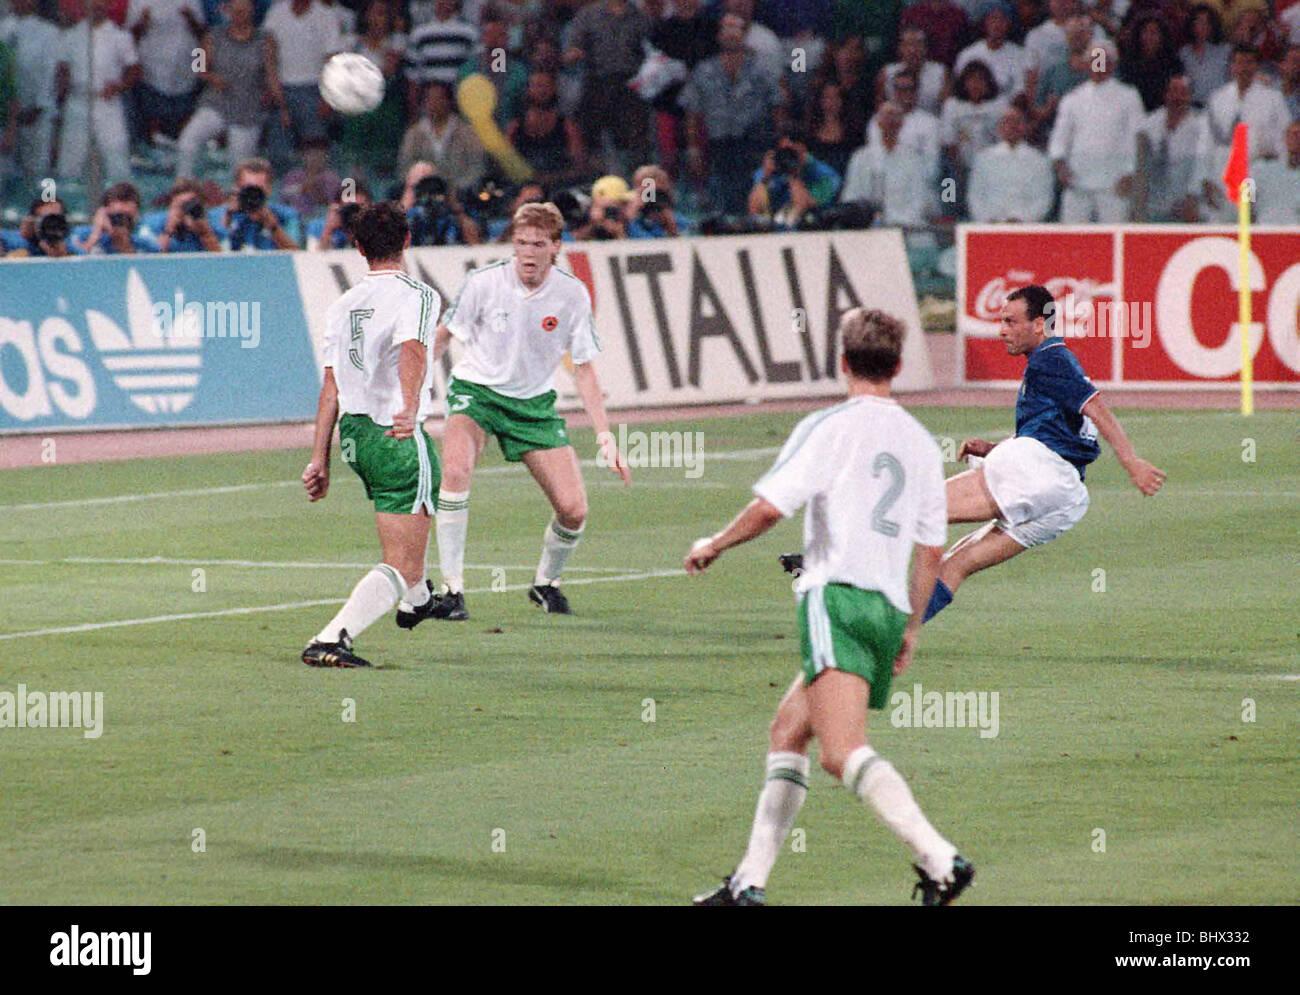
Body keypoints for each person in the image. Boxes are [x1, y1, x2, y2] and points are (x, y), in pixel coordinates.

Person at [686, 306, 974, 908]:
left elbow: (771, 508)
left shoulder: (829, 426)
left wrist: (714, 544)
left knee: (842, 752)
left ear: (841, 362)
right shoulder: (922, 443)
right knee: (789, 729)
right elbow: (930, 550)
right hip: (888, 607)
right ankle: (749, 884)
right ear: (897, 365)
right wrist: (911, 628)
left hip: (835, 597)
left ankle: (941, 858)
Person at [415, 201, 629, 622]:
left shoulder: (571, 294)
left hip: (532, 404)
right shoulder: (484, 283)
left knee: (574, 509)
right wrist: (417, 399)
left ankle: (546, 583)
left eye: (538, 244)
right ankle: (452, 590)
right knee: (455, 472)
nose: (528, 252)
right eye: (521, 243)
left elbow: (584, 370)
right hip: (477, 393)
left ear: (556, 247)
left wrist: (605, 435)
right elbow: (441, 338)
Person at [921, 285, 1165, 623]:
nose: (1002, 330)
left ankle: (847, 596)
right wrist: (993, 451)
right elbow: (1055, 436)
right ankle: (901, 638)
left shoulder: (1049, 358)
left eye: (1010, 321)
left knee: (918, 510)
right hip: (1064, 499)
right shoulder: (1054, 361)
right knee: (955, 564)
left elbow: (1096, 407)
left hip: (1039, 474)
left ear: (1039, 324)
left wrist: (1131, 461)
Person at [300, 201, 442, 669]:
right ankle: (331, 638)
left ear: (358, 248)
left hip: (354, 438)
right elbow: (414, 352)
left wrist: (318, 459)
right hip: (393, 433)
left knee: (405, 552)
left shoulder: (342, 306)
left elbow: (330, 387)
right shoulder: (416, 295)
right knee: (400, 561)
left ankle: (419, 600)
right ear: (406, 240)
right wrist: (409, 406)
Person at [175, 0, 275, 181]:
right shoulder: (212, 36)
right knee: (188, 140)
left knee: (240, 163)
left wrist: (277, 101)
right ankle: (183, 182)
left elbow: (271, 75)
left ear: (251, 11)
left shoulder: (265, 40)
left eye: (243, 11)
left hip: (248, 107)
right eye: (235, 11)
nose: (239, 15)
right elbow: (198, 67)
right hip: (217, 101)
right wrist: (212, 78)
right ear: (228, 11)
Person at [1049, 39, 1144, 222]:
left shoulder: (1128, 96)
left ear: (1113, 64)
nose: (1099, 65)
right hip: (1077, 182)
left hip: (1114, 184)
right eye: (1095, 60)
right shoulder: (1072, 98)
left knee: (1114, 236)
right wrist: (1060, 165)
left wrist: (1130, 173)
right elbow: (1059, 137)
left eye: (1104, 60)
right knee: (1074, 239)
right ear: (1087, 64)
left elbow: (1137, 139)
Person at [55, 0, 141, 185]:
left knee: (116, 155)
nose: (97, 6)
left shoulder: (120, 36)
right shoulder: (71, 35)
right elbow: (62, 68)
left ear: (108, 6)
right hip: (78, 101)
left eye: (101, 3)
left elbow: (134, 70)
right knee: (71, 160)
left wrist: (118, 86)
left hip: (107, 103)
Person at [968, 105, 1054, 220]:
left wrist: (1021, 219)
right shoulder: (983, 158)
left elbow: (1044, 199)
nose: (1012, 126)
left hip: (1026, 228)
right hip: (989, 226)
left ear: (1025, 126)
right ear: (999, 127)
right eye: (1007, 122)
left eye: (1017, 122)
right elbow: (975, 196)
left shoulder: (1039, 160)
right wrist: (988, 219)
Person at [211, 156, 300, 249]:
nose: (252, 194)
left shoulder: (286, 216)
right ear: (236, 187)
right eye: (247, 188)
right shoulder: (217, 215)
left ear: (269, 189)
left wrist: (273, 227)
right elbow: (211, 257)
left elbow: (296, 255)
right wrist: (227, 218)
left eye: (258, 189)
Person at [77, 181, 159, 254]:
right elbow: (74, 263)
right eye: (116, 216)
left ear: (136, 214)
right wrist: (95, 235)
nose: (121, 221)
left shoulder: (145, 236)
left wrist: (125, 245)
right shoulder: (82, 235)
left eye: (126, 217)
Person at [155, 177, 221, 251]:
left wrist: (204, 233)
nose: (185, 210)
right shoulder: (157, 224)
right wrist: (169, 229)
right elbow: (154, 256)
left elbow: (222, 258)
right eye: (181, 205)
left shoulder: (213, 223)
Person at [4, 196, 83, 257]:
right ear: (32, 221)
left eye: (56, 219)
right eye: (47, 219)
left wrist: (66, 255)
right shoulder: (17, 240)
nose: (52, 224)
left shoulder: (70, 241)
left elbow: (85, 260)